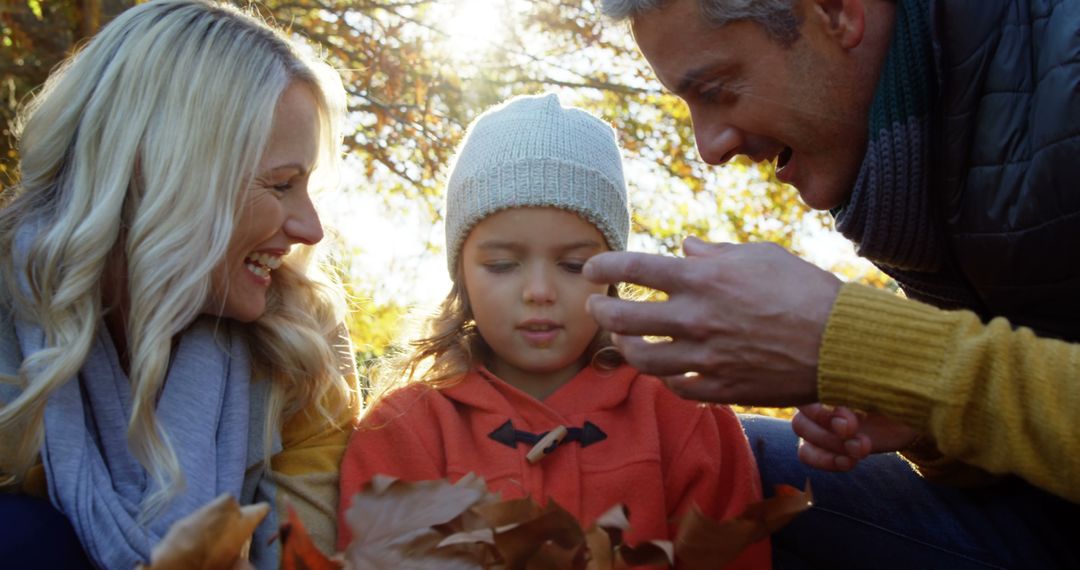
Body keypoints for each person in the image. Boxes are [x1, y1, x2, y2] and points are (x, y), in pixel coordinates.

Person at [586, 0, 1080, 567]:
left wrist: (886, 356)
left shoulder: (1064, 67)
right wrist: (917, 416)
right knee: (717, 460)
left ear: (835, 11)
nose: (709, 148)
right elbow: (1000, 427)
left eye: (718, 88)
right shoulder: (920, 176)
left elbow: (956, 372)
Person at [336, 93, 770, 567]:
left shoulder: (683, 412)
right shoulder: (406, 428)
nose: (539, 290)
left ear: (613, 271)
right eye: (502, 265)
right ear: (461, 273)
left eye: (573, 264)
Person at [0, 1, 359, 568]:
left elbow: (302, 559)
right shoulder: (11, 310)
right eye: (283, 184)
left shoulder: (300, 339)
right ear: (167, 173)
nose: (309, 228)